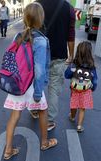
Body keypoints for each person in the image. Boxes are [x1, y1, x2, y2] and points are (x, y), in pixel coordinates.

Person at [3, 2, 57, 160]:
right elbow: (39, 69)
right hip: (32, 85)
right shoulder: (41, 40)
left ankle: (8, 150)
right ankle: (45, 142)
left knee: (14, 116)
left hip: (18, 83)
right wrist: (39, 92)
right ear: (40, 19)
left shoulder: (18, 36)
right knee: (43, 111)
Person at [36, 0, 76, 131]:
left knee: (37, 83)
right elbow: (70, 34)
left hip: (39, 53)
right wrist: (71, 55)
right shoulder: (68, 8)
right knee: (54, 89)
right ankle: (49, 121)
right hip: (59, 54)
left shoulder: (37, 4)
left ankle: (34, 109)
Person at [64, 41, 98, 133]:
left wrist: (72, 70)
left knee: (74, 104)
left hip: (75, 89)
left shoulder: (74, 64)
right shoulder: (92, 67)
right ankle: (79, 126)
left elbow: (66, 75)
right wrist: (93, 88)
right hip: (86, 90)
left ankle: (72, 116)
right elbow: (94, 80)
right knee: (82, 108)